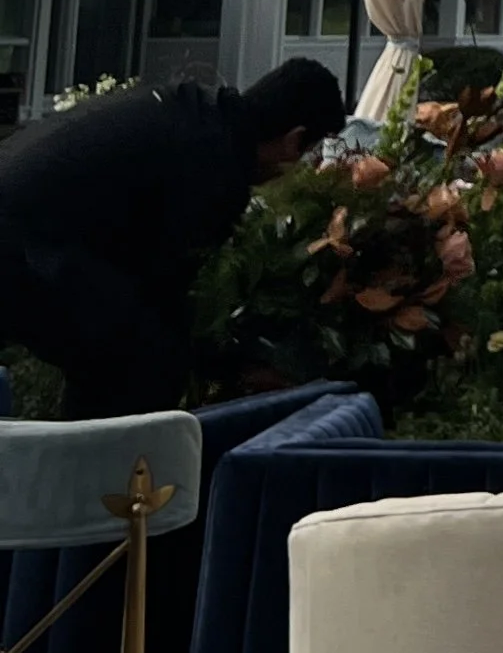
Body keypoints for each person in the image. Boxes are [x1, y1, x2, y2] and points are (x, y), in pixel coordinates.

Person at [0, 57, 345, 418]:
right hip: (24, 246)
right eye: (306, 154)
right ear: (294, 140)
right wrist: (241, 368)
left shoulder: (198, 115)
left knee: (133, 342)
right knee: (146, 361)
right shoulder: (216, 166)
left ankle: (81, 454)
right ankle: (95, 464)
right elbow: (169, 292)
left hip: (27, 227)